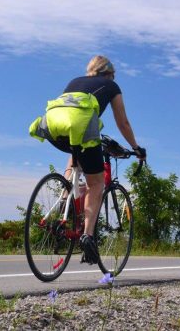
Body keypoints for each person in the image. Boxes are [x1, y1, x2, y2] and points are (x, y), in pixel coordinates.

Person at [49, 55, 146, 264]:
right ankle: (88, 236)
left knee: (76, 155)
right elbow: (123, 123)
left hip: (54, 127)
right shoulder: (111, 86)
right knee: (96, 184)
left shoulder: (75, 82)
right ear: (109, 73)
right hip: (81, 128)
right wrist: (136, 148)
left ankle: (66, 194)